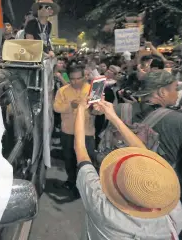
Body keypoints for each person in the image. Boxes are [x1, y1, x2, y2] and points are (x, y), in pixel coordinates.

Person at [74, 100, 182, 239]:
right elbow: (144, 153)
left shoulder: (102, 206)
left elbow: (80, 150)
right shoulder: (173, 210)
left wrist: (81, 110)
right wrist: (113, 117)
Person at [53, 64, 95, 197]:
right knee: (69, 158)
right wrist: (71, 105)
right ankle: (71, 181)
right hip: (68, 132)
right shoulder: (63, 91)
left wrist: (96, 109)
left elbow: (97, 111)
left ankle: (86, 186)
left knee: (86, 161)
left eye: (78, 78)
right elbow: (56, 108)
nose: (75, 82)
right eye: (72, 79)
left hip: (86, 132)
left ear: (84, 77)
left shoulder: (92, 90)